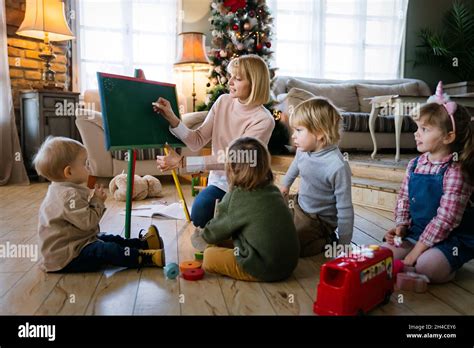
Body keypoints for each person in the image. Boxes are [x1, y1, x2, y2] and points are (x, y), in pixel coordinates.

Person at [153, 54, 275, 228]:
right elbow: (197, 140)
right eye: (230, 75)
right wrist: (172, 117)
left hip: (245, 186)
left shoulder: (263, 120)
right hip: (220, 182)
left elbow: (234, 159)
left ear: (254, 84)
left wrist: (182, 163)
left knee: (214, 217)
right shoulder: (223, 101)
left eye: (237, 78)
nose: (230, 81)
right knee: (200, 215)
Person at [383, 81, 474, 283]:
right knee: (384, 254)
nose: (416, 133)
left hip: (451, 237)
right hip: (417, 231)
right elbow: (404, 199)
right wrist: (401, 227)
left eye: (424, 129)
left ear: (448, 137)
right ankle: (418, 260)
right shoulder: (415, 164)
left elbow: (446, 219)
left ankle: (445, 265)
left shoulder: (456, 171)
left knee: (427, 267)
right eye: (417, 127)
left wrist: (416, 252)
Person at [33, 136, 165, 272]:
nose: (89, 167)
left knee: (109, 238)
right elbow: (88, 223)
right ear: (69, 172)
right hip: (69, 258)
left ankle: (144, 244)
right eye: (85, 164)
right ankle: (144, 257)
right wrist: (97, 201)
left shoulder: (62, 189)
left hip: (77, 244)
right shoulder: (68, 196)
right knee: (107, 250)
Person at [191, 137, 300, 281]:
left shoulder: (236, 197)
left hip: (264, 267)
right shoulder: (273, 190)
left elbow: (214, 231)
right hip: (289, 264)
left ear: (231, 169)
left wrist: (199, 236)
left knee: (210, 256)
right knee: (224, 242)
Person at [280, 97, 354, 257]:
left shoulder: (337, 166)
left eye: (299, 130)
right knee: (272, 214)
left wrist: (344, 244)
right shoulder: (303, 149)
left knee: (291, 245)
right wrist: (285, 185)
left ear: (319, 133)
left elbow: (345, 208)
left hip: (319, 220)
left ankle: (327, 241)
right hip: (299, 204)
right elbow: (296, 165)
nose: (293, 136)